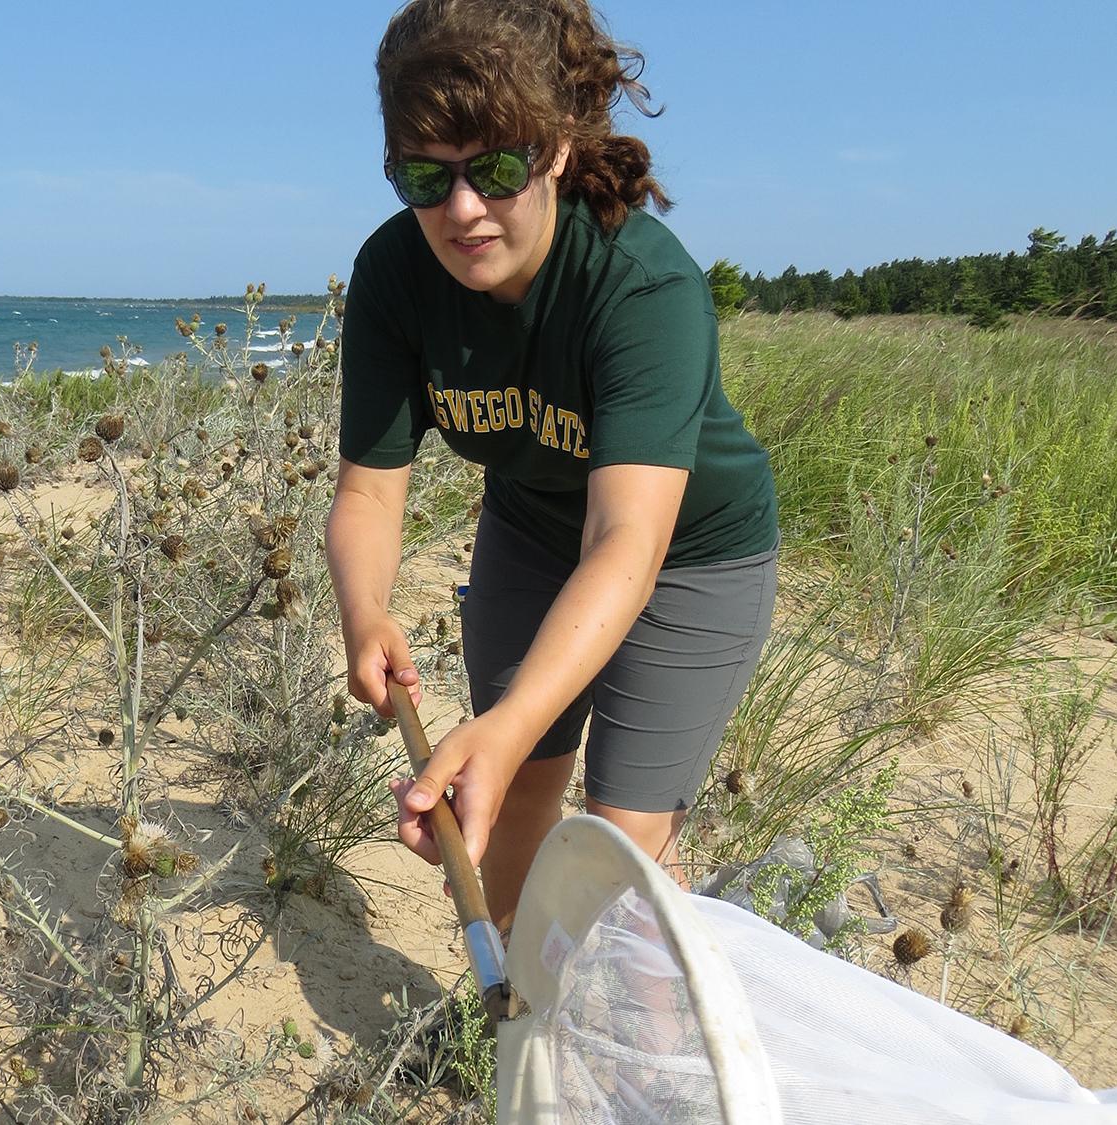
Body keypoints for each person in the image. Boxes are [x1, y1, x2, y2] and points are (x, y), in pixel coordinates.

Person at [325, 0, 778, 932]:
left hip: (692, 553)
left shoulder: (640, 285)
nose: (461, 209)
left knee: (624, 837)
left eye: (495, 168)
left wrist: (504, 722)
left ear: (558, 148)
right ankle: (518, 1018)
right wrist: (364, 611)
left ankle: (639, 1042)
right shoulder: (394, 275)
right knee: (513, 793)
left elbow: (626, 542)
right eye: (424, 174)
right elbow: (369, 489)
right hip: (532, 529)